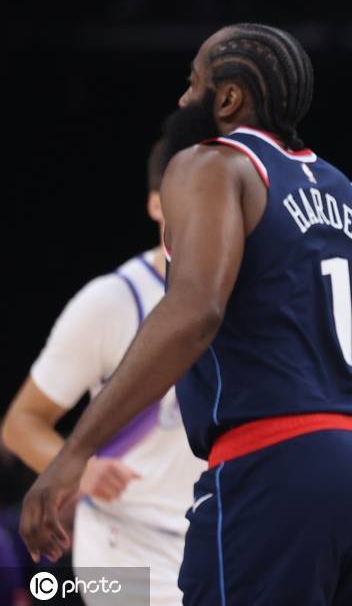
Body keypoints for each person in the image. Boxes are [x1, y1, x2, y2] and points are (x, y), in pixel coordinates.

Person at [18, 23, 352, 606]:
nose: (183, 98)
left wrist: (75, 453)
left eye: (193, 82)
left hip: (277, 464)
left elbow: (195, 310)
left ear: (228, 98)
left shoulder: (211, 165)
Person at [1, 139, 205, 606]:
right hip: (120, 549)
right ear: (156, 204)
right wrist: (83, 469)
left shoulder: (245, 297)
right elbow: (19, 424)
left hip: (212, 536)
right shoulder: (112, 300)